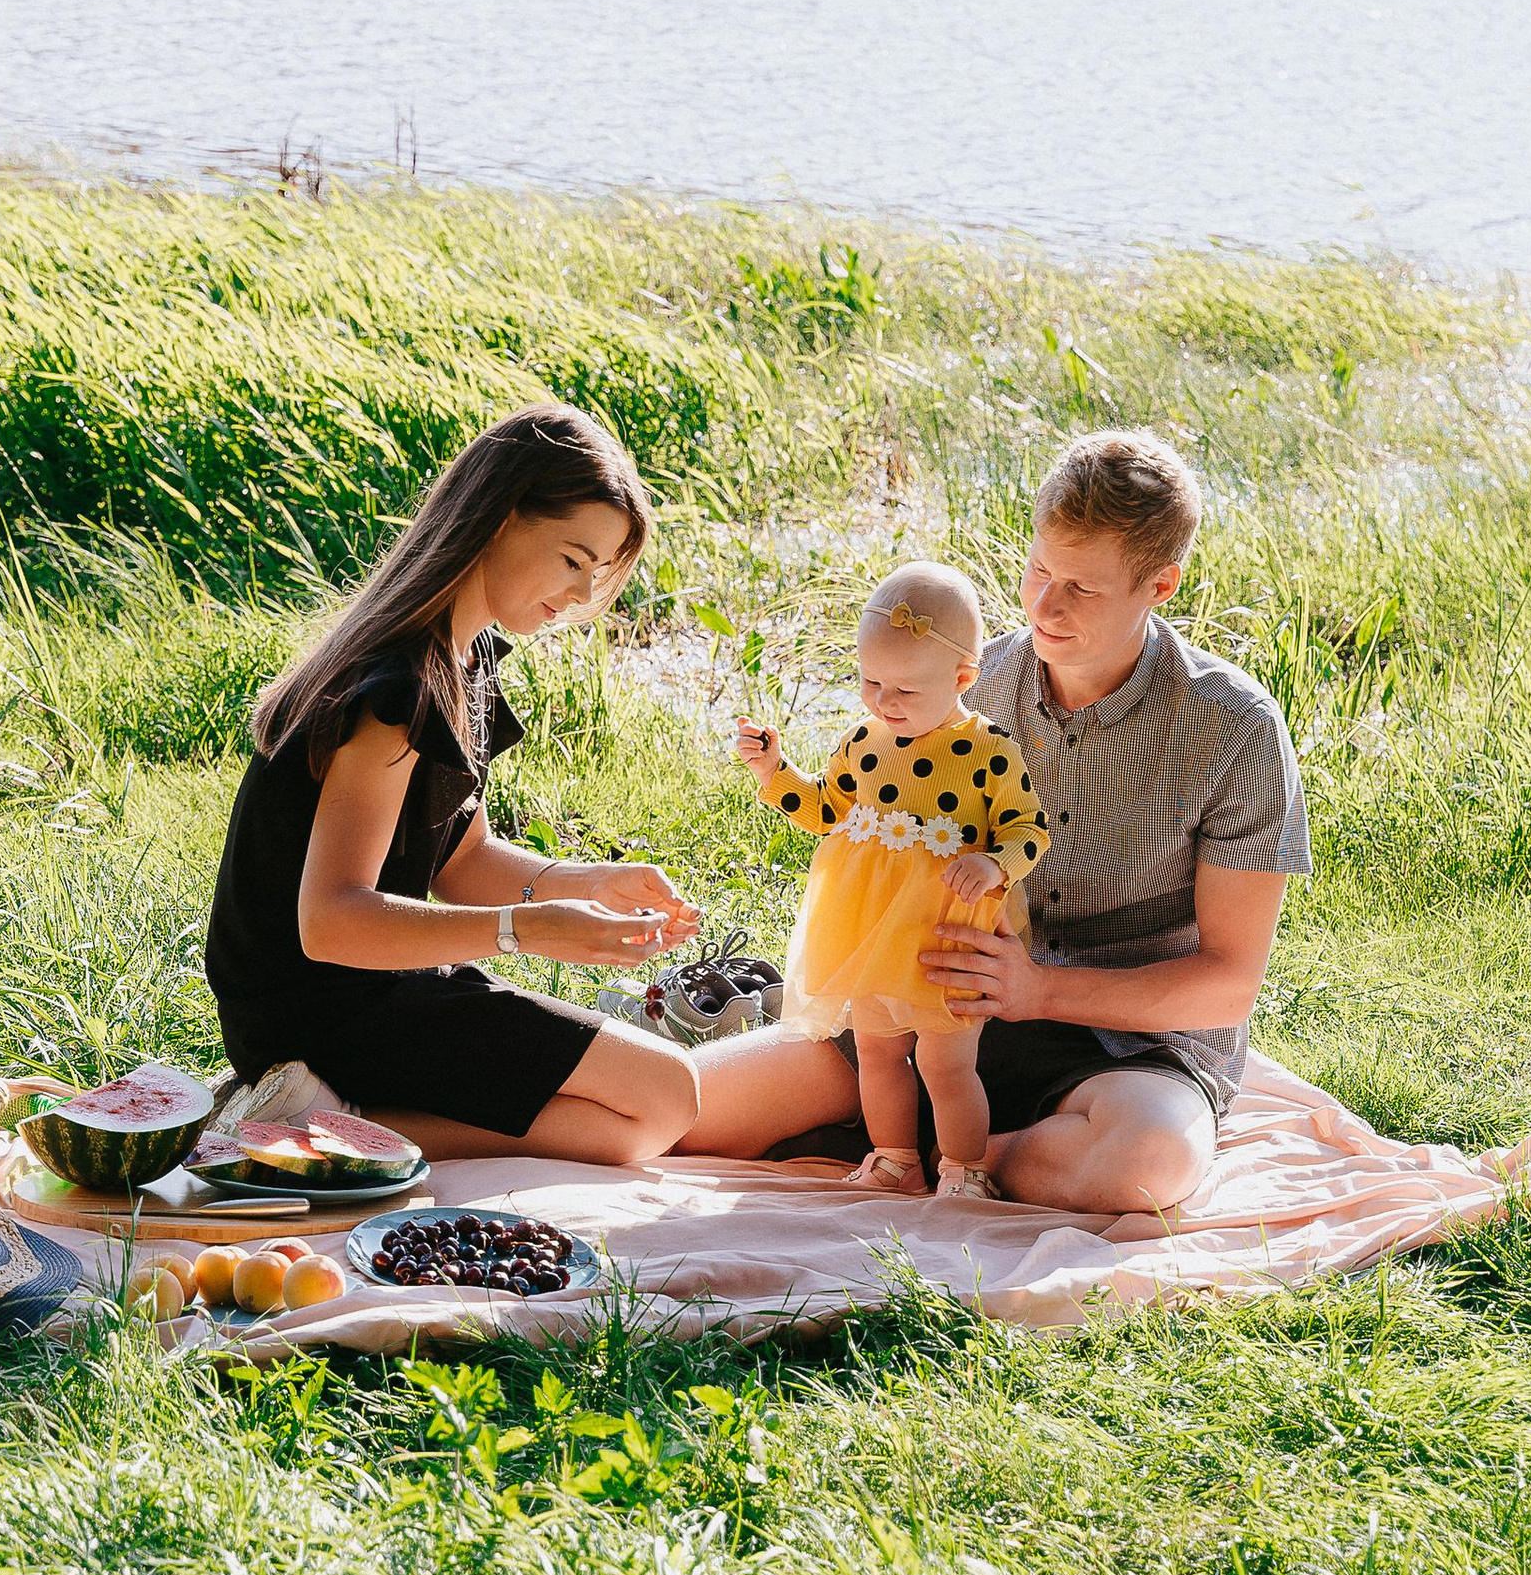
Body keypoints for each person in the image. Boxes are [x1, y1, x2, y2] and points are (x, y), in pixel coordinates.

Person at [683, 427, 1308, 1210]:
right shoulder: (964, 680)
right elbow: (859, 822)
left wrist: (1036, 990)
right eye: (1040, 569)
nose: (1045, 605)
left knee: (1145, 1165)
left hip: (1130, 1050)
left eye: (1082, 588)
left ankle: (935, 1147)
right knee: (680, 1109)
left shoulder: (1235, 727)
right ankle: (919, 1137)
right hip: (930, 1008)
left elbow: (1225, 987)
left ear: (1160, 586)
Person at [203, 403, 702, 1165]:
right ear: (500, 518)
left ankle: (337, 1120)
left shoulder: (465, 661)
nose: (579, 594)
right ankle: (298, 1128)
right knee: (665, 1095)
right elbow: (330, 922)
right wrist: (529, 930)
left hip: (368, 988)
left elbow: (460, 862)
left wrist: (591, 882)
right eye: (573, 559)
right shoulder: (393, 690)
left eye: (596, 574)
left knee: (644, 1116)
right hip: (319, 1007)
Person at [734, 562, 1046, 1198]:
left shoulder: (986, 748)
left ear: (963, 678)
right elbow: (825, 810)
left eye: (905, 689)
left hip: (948, 926)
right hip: (874, 925)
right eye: (870, 682)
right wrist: (774, 770)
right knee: (875, 1050)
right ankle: (894, 1157)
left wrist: (994, 863)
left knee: (944, 1058)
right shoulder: (863, 743)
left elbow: (1029, 829)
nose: (885, 701)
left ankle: (964, 1168)